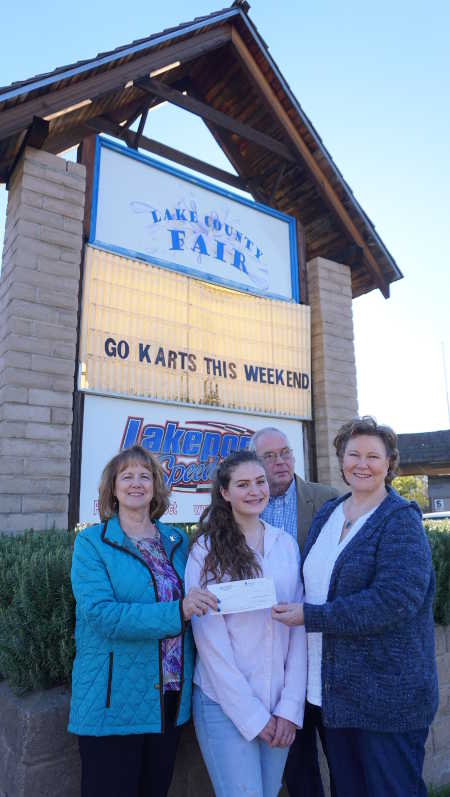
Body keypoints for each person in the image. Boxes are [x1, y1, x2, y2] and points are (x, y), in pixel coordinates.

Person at [272, 416, 439, 797]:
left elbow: (394, 600)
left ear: (389, 464)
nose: (361, 464)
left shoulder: (399, 521)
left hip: (387, 700)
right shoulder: (328, 514)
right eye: (353, 454)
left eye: (373, 456)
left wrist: (311, 617)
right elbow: (309, 584)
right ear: (341, 460)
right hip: (333, 697)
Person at [68, 445, 217, 797]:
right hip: (113, 698)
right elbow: (103, 616)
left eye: (145, 476)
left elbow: (205, 592)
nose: (137, 483)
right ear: (113, 488)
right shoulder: (92, 543)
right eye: (127, 476)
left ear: (156, 487)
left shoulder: (178, 540)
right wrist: (178, 611)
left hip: (169, 694)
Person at [185, 450, 307, 797]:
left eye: (260, 482)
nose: (255, 491)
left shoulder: (285, 545)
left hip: (278, 703)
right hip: (224, 703)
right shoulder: (205, 551)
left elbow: (297, 628)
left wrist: (289, 709)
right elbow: (210, 643)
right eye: (242, 484)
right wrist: (255, 717)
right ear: (224, 493)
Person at [250, 426, 338, 797]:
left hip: (325, 647)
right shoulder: (245, 502)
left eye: (285, 452)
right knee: (298, 764)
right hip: (275, 653)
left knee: (342, 753)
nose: (280, 461)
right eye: (269, 456)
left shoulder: (327, 500)